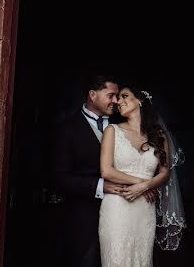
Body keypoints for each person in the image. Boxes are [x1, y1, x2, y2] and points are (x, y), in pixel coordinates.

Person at [99, 85, 185, 267]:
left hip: (144, 210)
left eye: (124, 96)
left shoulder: (159, 136)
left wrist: (144, 187)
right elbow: (106, 171)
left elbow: (165, 173)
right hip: (117, 206)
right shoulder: (112, 131)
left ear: (139, 101)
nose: (118, 102)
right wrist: (142, 184)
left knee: (142, 260)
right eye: (117, 98)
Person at [52, 74, 125, 267]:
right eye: (111, 95)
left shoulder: (124, 125)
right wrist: (102, 186)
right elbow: (60, 179)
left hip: (124, 216)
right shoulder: (66, 129)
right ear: (92, 95)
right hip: (84, 222)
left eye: (118, 96)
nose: (116, 101)